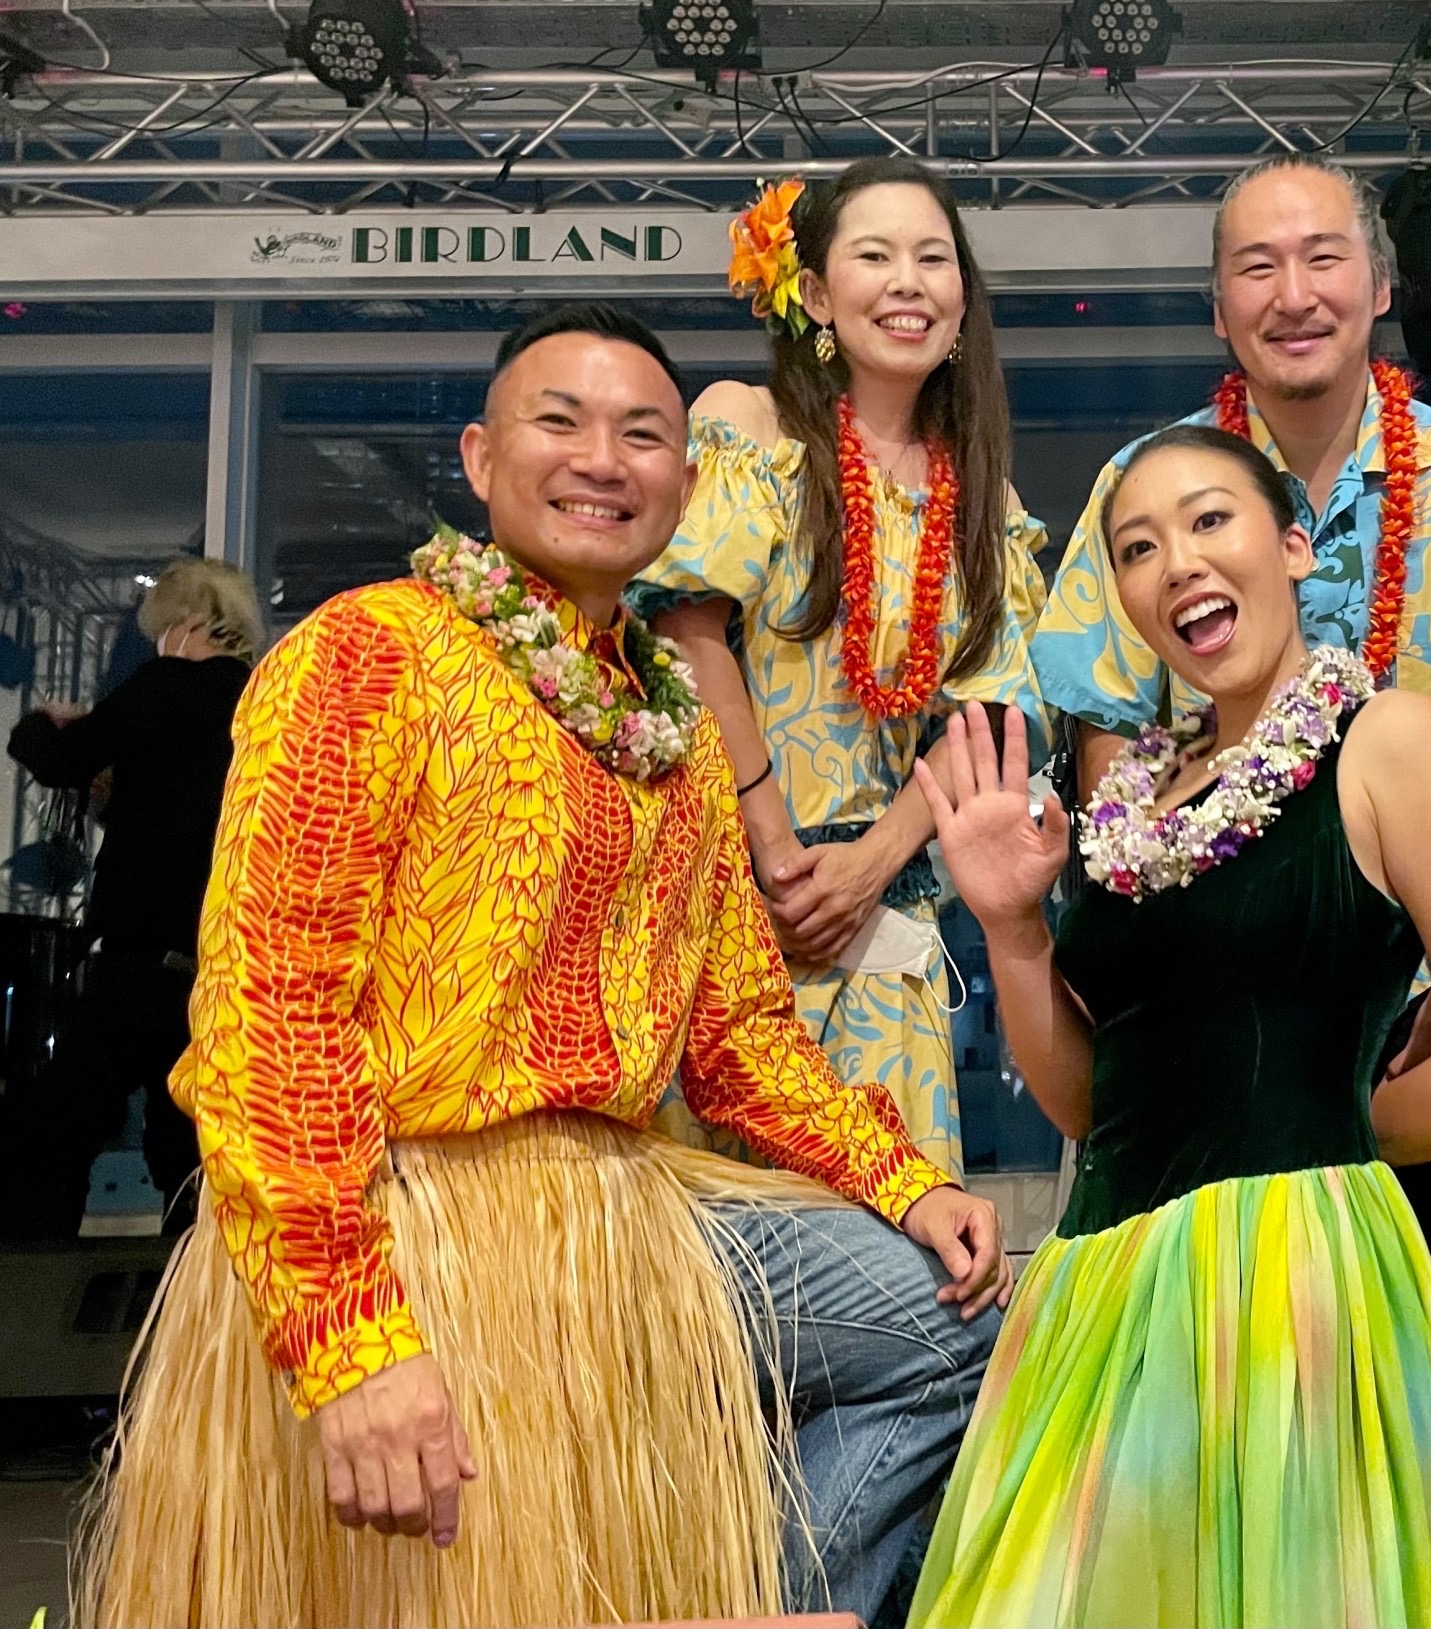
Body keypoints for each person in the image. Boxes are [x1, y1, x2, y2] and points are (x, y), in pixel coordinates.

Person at [76, 304, 1010, 1629]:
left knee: (949, 1321)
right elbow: (272, 1018)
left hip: (630, 1214)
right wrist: (350, 1340)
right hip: (410, 1213)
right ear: (479, 455)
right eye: (559, 421)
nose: (602, 460)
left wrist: (907, 1186)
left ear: (682, 484)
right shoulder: (371, 654)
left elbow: (741, 1036)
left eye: (643, 435)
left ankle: (766, 1609)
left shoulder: (677, 730)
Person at [909, 424, 1431, 1627]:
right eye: (1137, 547)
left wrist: (1320, 1131)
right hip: (1104, 1284)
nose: (1178, 562)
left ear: (1294, 545)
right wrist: (1013, 930)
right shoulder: (1131, 805)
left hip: (1290, 1283)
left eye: (1210, 519)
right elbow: (1092, 1101)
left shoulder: (1391, 741)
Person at [1029, 149, 1431, 1520]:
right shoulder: (1147, 489)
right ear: (1218, 307)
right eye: (1256, 267)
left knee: (1403, 1481)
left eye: (1324, 257)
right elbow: (1118, 800)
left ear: (1382, 285)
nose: (1294, 293)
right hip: (1208, 1056)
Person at [639, 156, 1047, 1179]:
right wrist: (778, 851)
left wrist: (871, 864)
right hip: (735, 902)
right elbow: (686, 629)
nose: (908, 282)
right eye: (876, 256)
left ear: (963, 300)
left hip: (885, 920)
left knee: (891, 1231)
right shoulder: (752, 427)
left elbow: (986, 716)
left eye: (933, 259)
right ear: (817, 294)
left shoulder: (984, 501)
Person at [2, 556, 260, 1242]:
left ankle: (34, 1279)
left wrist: (40, 724)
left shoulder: (162, 685)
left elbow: (60, 761)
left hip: (139, 960)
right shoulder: (260, 701)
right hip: (222, 968)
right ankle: (185, 1290)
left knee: (57, 1128)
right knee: (189, 1152)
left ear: (187, 623)